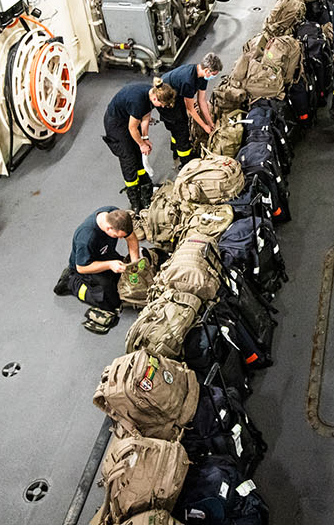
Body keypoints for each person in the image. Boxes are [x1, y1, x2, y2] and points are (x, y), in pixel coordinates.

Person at [53, 206, 140, 332]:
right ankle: (71, 283)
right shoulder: (86, 237)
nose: (120, 239)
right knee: (111, 302)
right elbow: (81, 267)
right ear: (108, 228)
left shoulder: (116, 216)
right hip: (86, 266)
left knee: (124, 278)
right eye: (117, 236)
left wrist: (134, 265)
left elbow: (131, 238)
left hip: (105, 254)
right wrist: (110, 265)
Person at [103, 80, 177, 210]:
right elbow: (132, 128)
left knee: (138, 154)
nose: (162, 107)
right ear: (155, 98)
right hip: (116, 124)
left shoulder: (151, 94)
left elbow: (146, 117)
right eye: (161, 104)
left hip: (129, 118)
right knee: (129, 159)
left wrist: (145, 138)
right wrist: (142, 145)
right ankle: (135, 200)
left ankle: (146, 189)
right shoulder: (138, 101)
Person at [160, 53, 223, 166]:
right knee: (181, 129)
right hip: (164, 98)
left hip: (176, 93)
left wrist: (210, 122)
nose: (213, 77)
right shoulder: (188, 80)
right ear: (207, 70)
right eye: (214, 74)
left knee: (183, 121)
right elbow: (190, 109)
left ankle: (175, 148)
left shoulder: (202, 77)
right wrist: (204, 126)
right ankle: (185, 161)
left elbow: (201, 101)